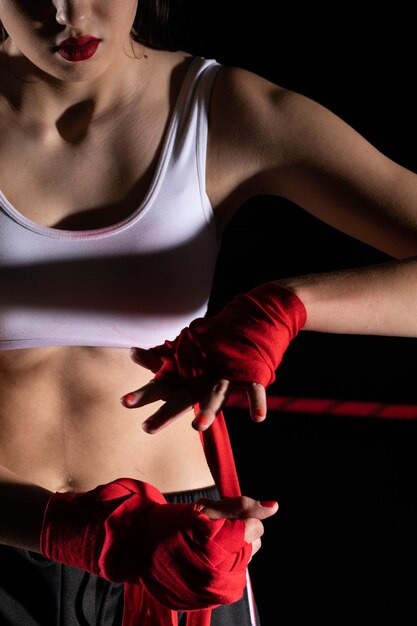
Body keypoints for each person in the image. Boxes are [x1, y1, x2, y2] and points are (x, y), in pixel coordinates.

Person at [0, 2, 416, 626]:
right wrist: (83, 531)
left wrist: (285, 306)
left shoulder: (218, 110)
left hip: (177, 557)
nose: (68, 12)